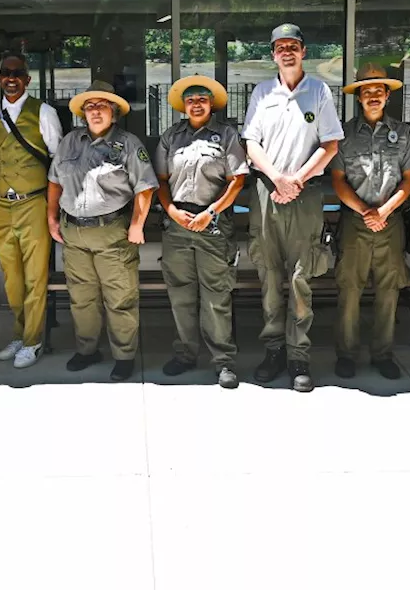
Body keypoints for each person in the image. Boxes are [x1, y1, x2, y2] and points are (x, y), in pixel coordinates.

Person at [241, 23, 343, 393]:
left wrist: (296, 179)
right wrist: (276, 178)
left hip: (306, 195)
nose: (287, 52)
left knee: (301, 278)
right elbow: (251, 143)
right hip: (267, 193)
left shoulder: (318, 91)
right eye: (280, 47)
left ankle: (299, 356)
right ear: (273, 54)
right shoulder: (262, 92)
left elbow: (329, 145)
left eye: (293, 46)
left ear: (303, 51)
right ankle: (274, 351)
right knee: (269, 276)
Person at [47, 80, 157, 382]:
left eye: (102, 105)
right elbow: (55, 180)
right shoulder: (70, 141)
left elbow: (145, 187)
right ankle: (87, 350)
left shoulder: (128, 144)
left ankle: (124, 355)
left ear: (114, 112)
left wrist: (137, 224)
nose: (95, 111)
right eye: (90, 106)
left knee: (119, 297)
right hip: (74, 233)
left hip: (112, 233)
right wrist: (51, 217)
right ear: (83, 113)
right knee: (82, 298)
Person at [154, 76, 247, 389]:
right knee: (180, 293)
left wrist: (211, 213)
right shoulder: (171, 136)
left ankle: (223, 361)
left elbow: (236, 181)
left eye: (202, 98)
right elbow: (162, 181)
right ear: (184, 105)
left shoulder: (226, 135)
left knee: (216, 296)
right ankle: (185, 353)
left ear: (212, 104)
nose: (196, 103)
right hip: (177, 223)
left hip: (213, 223)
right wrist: (171, 212)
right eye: (190, 99)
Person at [329, 65, 410, 381]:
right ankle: (346, 354)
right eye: (366, 92)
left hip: (391, 222)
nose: (373, 96)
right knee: (349, 289)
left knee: (388, 289)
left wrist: (384, 211)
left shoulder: (403, 133)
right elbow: (338, 180)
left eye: (378, 91)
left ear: (387, 95)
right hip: (355, 222)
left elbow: (409, 181)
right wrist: (365, 211)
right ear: (359, 97)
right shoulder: (343, 134)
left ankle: (383, 353)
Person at [0, 53, 62, 369]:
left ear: (27, 79)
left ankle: (33, 340)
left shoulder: (43, 112)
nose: (11, 78)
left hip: (33, 202)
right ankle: (19, 332)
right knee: (11, 278)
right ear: (0, 77)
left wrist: (53, 209)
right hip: (1, 204)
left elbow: (58, 161)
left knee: (35, 276)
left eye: (17, 73)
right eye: (5, 72)